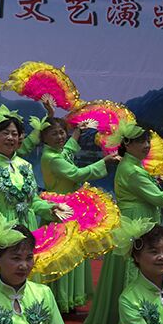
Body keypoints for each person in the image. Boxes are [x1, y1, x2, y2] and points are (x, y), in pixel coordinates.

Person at [82, 122, 163, 324]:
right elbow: (159, 198)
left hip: (137, 219)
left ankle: (129, 320)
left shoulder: (133, 167)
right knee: (135, 270)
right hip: (136, 222)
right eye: (141, 141)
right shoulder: (132, 170)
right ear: (127, 144)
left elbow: (153, 194)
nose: (146, 145)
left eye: (147, 140)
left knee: (133, 268)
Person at [39, 116, 119, 313]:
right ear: (44, 138)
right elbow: (76, 174)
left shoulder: (57, 153)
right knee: (62, 253)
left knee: (69, 251)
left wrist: (77, 132)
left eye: (61, 132)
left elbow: (68, 150)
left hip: (68, 207)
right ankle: (61, 300)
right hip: (59, 210)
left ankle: (67, 300)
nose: (60, 137)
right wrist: (104, 161)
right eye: (54, 133)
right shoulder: (52, 158)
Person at [0, 105, 65, 231]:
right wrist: (10, 229)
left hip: (29, 227)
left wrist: (50, 209)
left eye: (14, 134)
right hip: (3, 229)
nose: (10, 138)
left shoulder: (25, 165)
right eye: (5, 133)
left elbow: (33, 201)